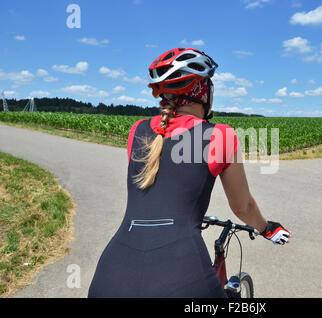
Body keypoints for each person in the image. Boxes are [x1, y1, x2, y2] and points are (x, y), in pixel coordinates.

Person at [88, 48, 291, 298]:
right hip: (182, 279)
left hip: (110, 278)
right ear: (202, 91)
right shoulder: (220, 135)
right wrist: (266, 228)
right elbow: (243, 207)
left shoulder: (136, 130)